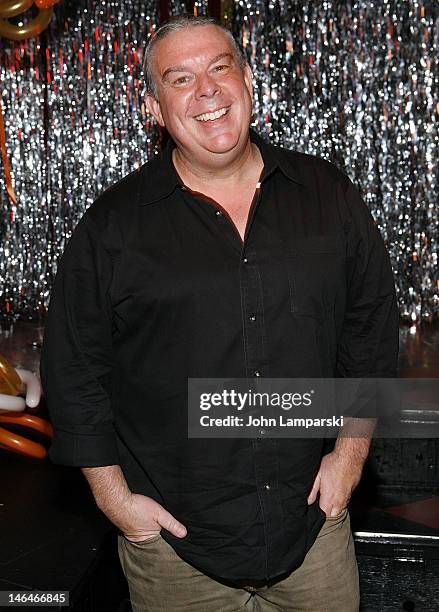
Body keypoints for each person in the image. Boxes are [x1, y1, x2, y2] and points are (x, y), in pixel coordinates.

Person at [40, 14, 399, 612]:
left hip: (313, 532)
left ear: (248, 81)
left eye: (218, 68)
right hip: (176, 550)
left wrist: (349, 456)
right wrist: (117, 504)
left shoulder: (328, 196)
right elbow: (74, 371)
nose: (205, 91)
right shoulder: (113, 227)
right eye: (179, 80)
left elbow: (371, 334)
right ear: (155, 109)